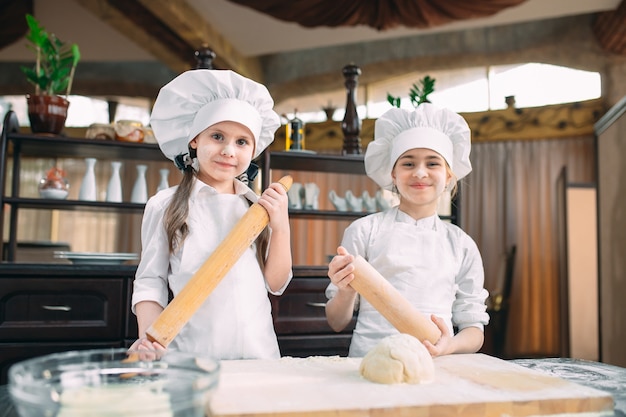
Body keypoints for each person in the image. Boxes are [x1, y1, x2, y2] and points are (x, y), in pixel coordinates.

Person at [130, 69, 292, 360]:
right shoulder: (165, 205)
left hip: (259, 356)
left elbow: (276, 284)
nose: (229, 150)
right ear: (194, 140)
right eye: (217, 136)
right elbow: (150, 281)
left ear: (254, 149)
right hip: (191, 358)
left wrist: (280, 227)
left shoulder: (257, 208)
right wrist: (149, 339)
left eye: (242, 142)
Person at [325, 103, 489, 358]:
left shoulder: (461, 245)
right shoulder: (364, 231)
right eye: (408, 163)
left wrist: (451, 345)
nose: (420, 172)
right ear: (393, 173)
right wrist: (345, 291)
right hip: (370, 364)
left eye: (433, 163)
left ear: (448, 176)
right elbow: (336, 322)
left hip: (435, 367)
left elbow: (474, 330)